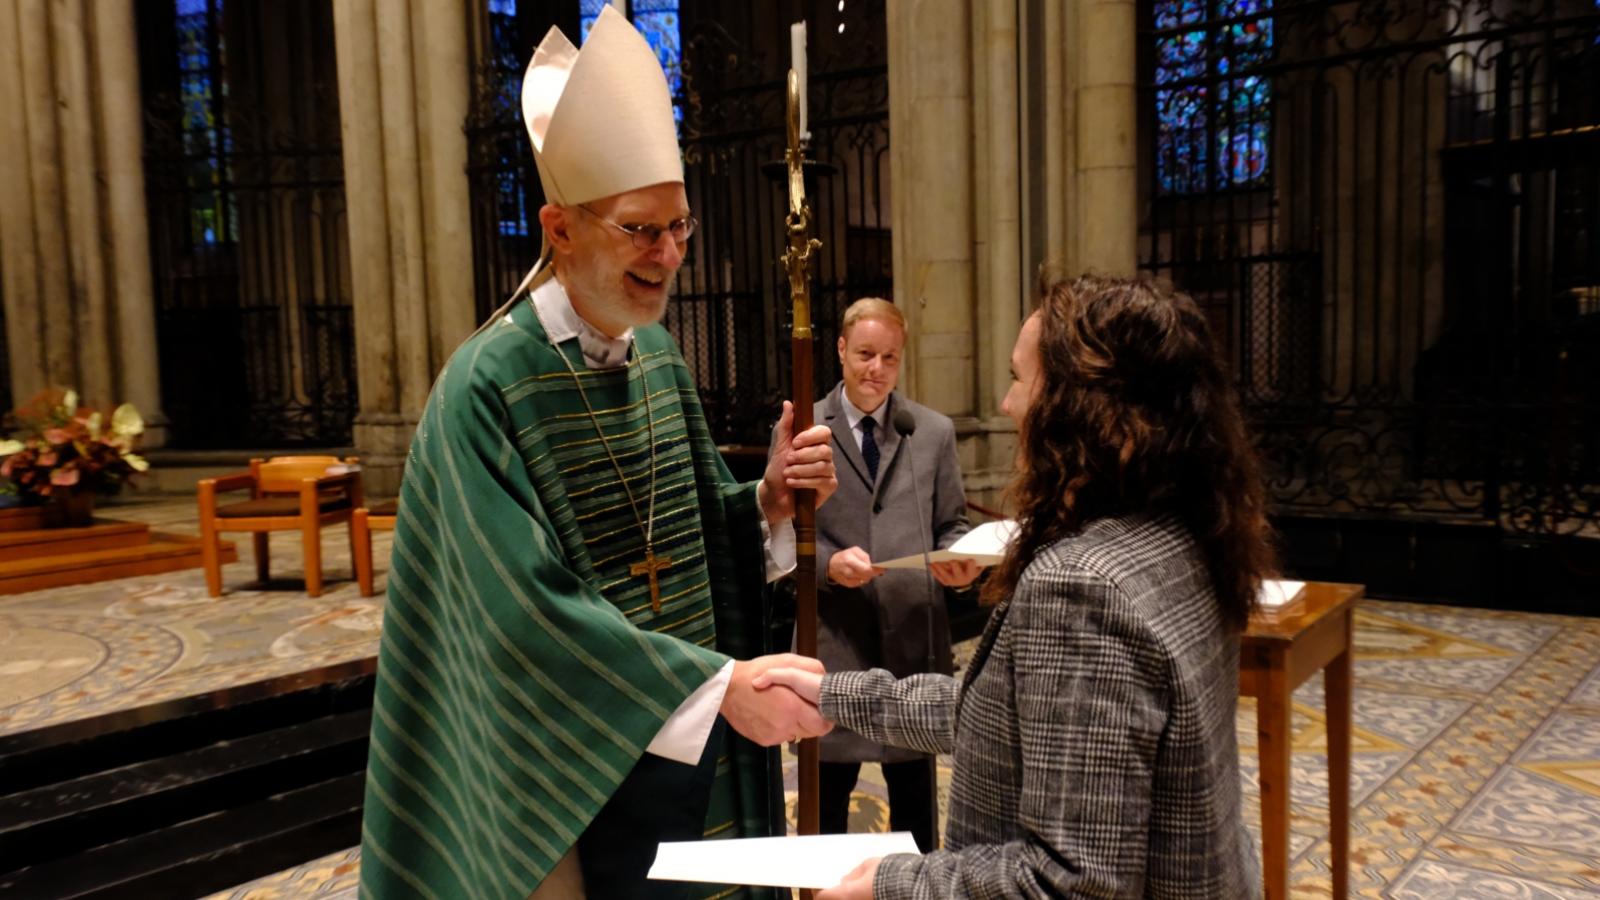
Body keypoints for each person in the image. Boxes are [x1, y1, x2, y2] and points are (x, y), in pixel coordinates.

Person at [359, 9, 837, 899]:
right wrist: (714, 684)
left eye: (680, 227)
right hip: (563, 768)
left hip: (683, 747)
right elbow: (516, 615)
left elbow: (693, 528)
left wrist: (764, 502)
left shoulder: (656, 355)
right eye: (639, 230)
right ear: (559, 228)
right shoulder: (484, 388)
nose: (669, 256)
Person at [757, 270, 1274, 898]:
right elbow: (1000, 713)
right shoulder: (1181, 533)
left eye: (1017, 378)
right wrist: (834, 693)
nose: (1006, 406)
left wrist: (889, 882)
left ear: (1079, 405)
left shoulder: (1083, 587)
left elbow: (1068, 882)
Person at [778, 297, 977, 852]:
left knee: (915, 813)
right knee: (827, 812)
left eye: (890, 358)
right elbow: (780, 537)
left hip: (914, 644)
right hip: (836, 643)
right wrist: (827, 570)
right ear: (840, 350)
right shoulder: (807, 427)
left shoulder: (930, 432)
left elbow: (952, 523)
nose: (877, 369)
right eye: (866, 354)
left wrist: (957, 560)